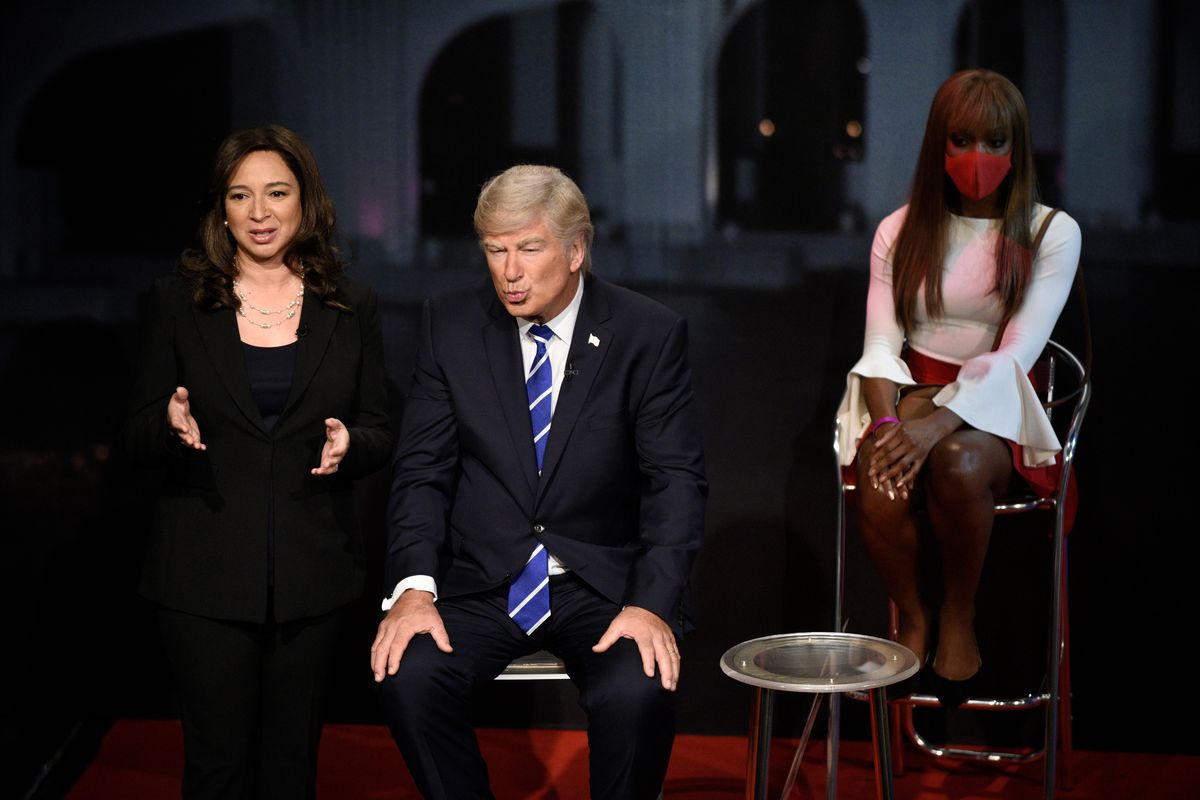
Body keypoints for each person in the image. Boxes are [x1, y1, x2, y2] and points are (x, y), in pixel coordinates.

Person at [370, 164, 707, 799]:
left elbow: (676, 481)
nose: (509, 271)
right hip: (483, 578)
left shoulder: (648, 334)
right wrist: (413, 587)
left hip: (600, 581)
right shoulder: (451, 325)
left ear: (576, 249)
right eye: (495, 251)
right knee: (407, 677)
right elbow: (422, 471)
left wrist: (650, 602)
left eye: (528, 248)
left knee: (637, 689)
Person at [123, 124, 393, 799]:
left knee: (291, 768)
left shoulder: (350, 306)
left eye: (277, 193)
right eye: (240, 196)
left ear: (307, 201)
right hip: (202, 578)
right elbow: (131, 434)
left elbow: (381, 430)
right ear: (221, 208)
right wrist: (166, 423)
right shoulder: (176, 302)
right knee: (217, 767)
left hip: (312, 577)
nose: (260, 212)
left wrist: (349, 446)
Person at [836, 70, 1082, 704]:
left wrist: (936, 425)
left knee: (958, 461)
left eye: (995, 142)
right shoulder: (900, 228)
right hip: (913, 395)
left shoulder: (1051, 231)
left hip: (1002, 407)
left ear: (1017, 146)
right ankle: (913, 614)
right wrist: (889, 429)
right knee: (880, 469)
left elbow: (1016, 354)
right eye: (963, 140)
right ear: (938, 145)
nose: (978, 159)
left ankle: (959, 613)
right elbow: (883, 346)